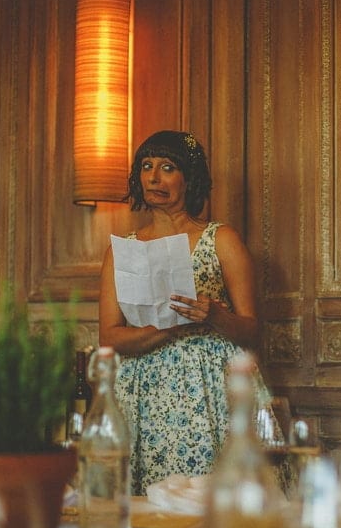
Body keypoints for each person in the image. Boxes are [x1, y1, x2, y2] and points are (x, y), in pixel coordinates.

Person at [99, 130, 268, 495]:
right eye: (146, 167)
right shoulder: (122, 251)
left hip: (209, 390)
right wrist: (168, 329)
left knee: (210, 503)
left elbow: (253, 330)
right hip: (140, 391)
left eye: (167, 167)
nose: (154, 177)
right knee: (147, 509)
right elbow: (109, 335)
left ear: (188, 178)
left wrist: (213, 315)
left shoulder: (220, 239)